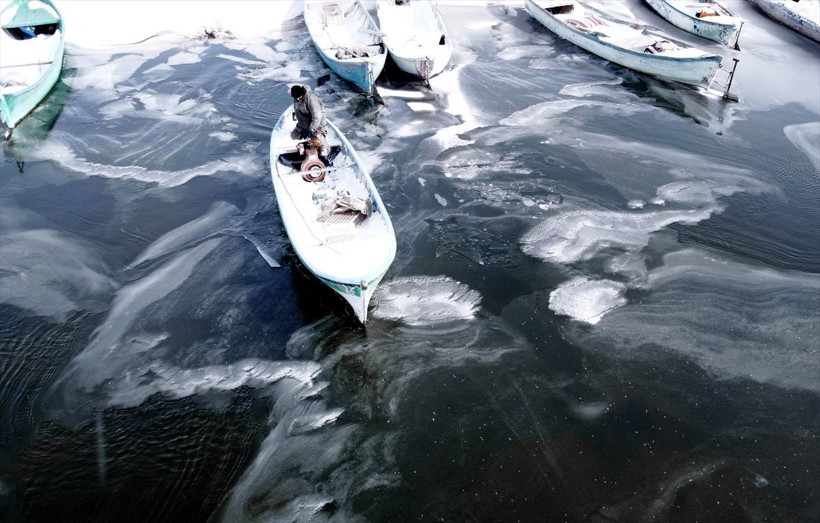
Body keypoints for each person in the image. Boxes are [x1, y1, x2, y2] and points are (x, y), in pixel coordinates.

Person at [290, 84, 328, 156]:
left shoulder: (311, 99)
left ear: (302, 93)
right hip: (304, 123)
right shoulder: (296, 98)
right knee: (293, 136)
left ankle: (321, 134)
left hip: (317, 124)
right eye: (296, 98)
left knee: (318, 141)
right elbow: (297, 109)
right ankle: (307, 141)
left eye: (299, 97)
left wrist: (310, 130)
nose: (297, 99)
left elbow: (317, 118)